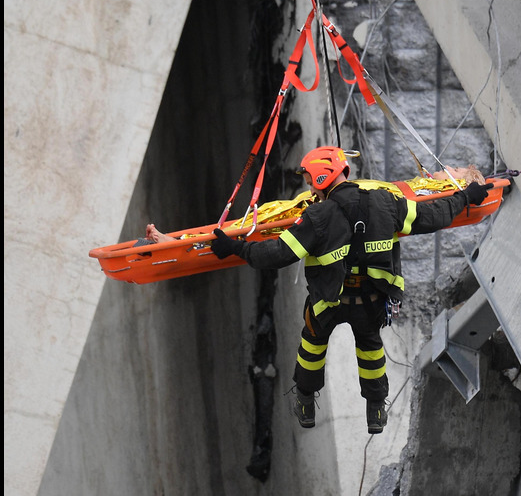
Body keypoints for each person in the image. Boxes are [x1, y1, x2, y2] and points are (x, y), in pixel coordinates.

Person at [208, 146, 493, 434]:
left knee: (312, 344)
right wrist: (465, 198)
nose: (310, 190)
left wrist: (235, 248)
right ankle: (376, 410)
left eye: (310, 182)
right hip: (371, 301)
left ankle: (305, 401)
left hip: (328, 302)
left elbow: (278, 254)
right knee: (370, 349)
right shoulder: (386, 202)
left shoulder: (317, 217)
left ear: (321, 178)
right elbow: (432, 216)